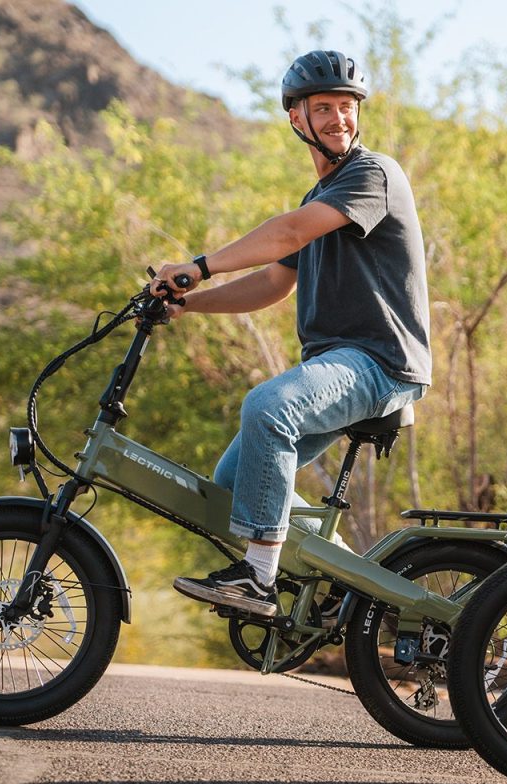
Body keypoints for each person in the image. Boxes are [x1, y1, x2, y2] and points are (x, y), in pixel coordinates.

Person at [149, 50, 431, 616]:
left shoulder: (373, 175)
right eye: (323, 107)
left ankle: (258, 578)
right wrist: (190, 303)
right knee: (233, 484)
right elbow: (273, 283)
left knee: (268, 408)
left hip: (379, 363)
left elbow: (287, 235)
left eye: (347, 107)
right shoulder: (320, 199)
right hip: (341, 365)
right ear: (296, 119)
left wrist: (198, 265)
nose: (338, 119)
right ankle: (344, 583)